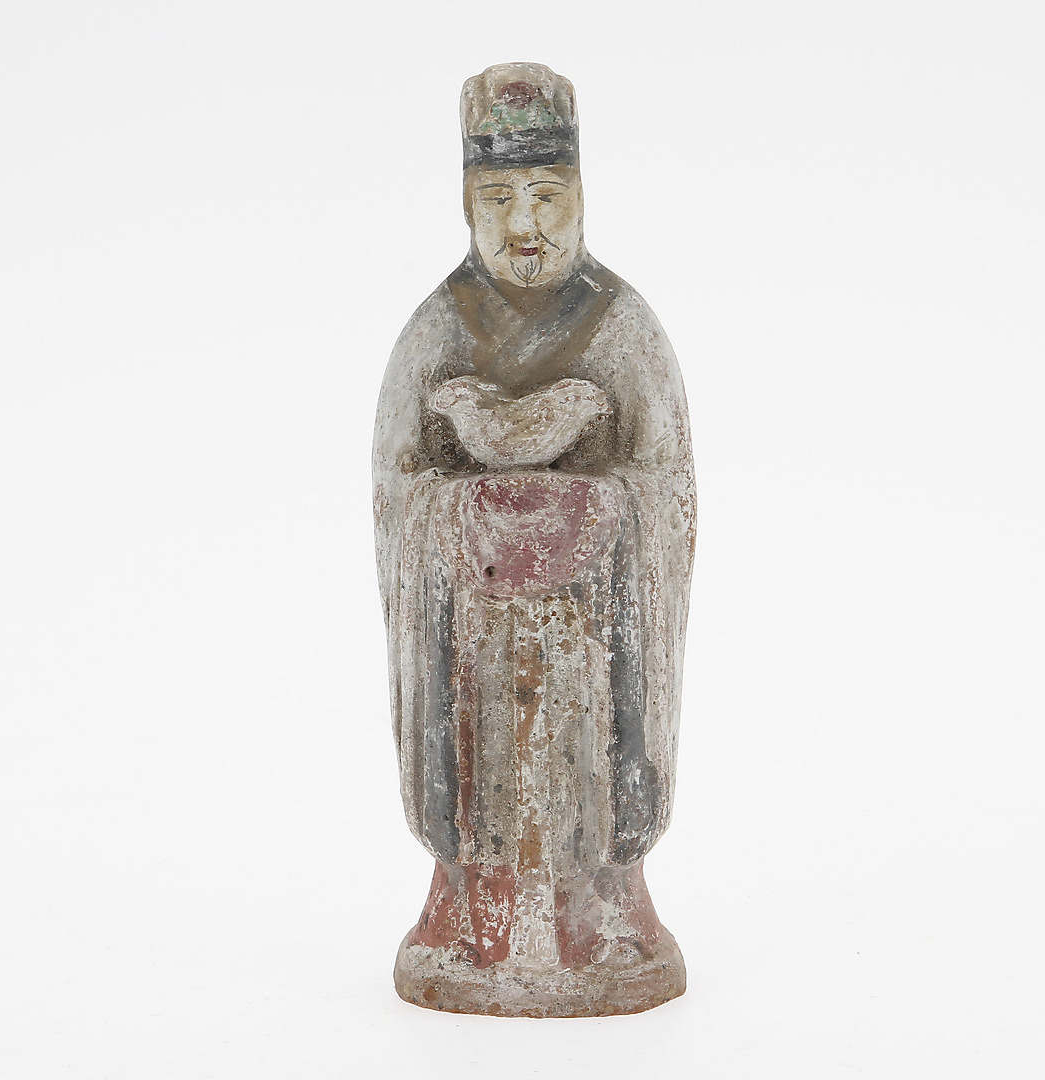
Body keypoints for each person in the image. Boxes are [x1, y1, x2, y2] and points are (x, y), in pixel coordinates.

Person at [373, 62, 696, 1016]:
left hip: (592, 648)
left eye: (547, 195)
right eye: (499, 199)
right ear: (466, 204)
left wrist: (600, 512)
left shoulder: (623, 328)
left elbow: (670, 489)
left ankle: (607, 913)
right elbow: (394, 491)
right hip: (471, 644)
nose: (525, 224)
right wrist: (457, 513)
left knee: (590, 782)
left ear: (582, 193)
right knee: (481, 785)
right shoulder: (436, 331)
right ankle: (467, 914)